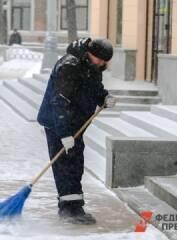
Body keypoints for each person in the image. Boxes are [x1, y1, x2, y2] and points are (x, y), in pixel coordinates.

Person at [37, 38, 116, 225]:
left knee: (75, 164)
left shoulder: (92, 67)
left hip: (75, 124)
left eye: (105, 61)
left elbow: (94, 89)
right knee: (64, 166)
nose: (102, 64)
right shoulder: (70, 67)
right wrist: (64, 134)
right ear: (91, 53)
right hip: (58, 123)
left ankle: (75, 207)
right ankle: (67, 209)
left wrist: (104, 97)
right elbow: (59, 102)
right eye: (100, 59)